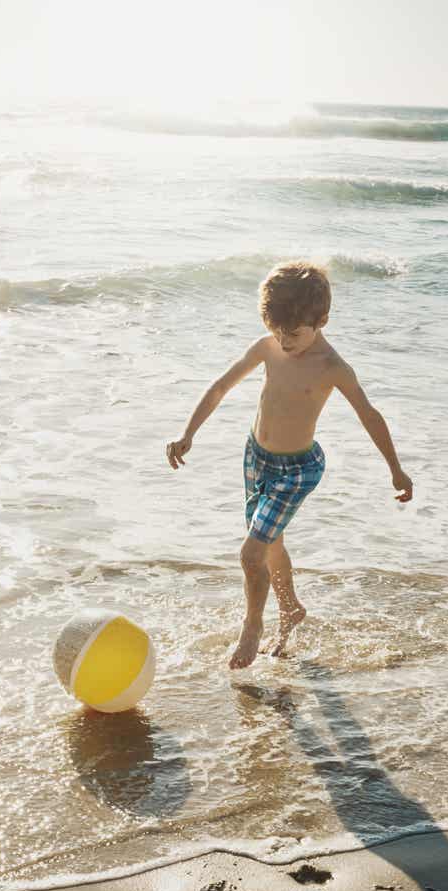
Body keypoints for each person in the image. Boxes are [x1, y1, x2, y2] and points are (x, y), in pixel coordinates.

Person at [167, 261, 414, 669]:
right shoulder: (267, 346)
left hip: (298, 470)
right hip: (255, 459)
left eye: (293, 333)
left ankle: (253, 625)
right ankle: (292, 608)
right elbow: (220, 386)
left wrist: (396, 468)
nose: (283, 340)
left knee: (250, 554)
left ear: (322, 321)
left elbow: (369, 415)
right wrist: (188, 433)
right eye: (277, 330)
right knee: (269, 545)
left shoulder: (332, 366)